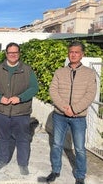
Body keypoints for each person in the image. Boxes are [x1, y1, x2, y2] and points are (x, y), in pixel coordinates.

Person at [46, 41, 97, 184]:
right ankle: (55, 170)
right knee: (56, 144)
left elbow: (90, 94)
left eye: (76, 52)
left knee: (80, 148)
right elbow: (53, 91)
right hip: (59, 115)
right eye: (71, 52)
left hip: (78, 117)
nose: (73, 54)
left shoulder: (89, 73)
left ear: (82, 54)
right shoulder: (59, 72)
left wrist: (74, 109)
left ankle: (80, 175)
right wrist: (64, 108)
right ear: (68, 54)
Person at [0, 42, 39, 175]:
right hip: (1, 111)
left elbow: (34, 88)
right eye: (10, 53)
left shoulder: (27, 69)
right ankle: (2, 160)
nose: (13, 55)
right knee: (3, 137)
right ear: (6, 54)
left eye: (16, 52)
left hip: (21, 112)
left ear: (19, 54)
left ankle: (23, 163)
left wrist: (20, 98)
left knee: (22, 138)